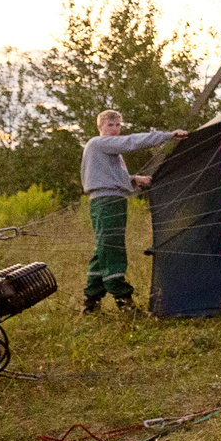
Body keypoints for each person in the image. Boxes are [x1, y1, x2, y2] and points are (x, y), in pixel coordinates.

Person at [81, 110, 188, 312]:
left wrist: (132, 179)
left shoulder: (108, 151)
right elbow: (132, 142)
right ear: (100, 127)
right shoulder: (99, 143)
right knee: (112, 247)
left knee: (103, 247)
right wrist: (167, 135)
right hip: (106, 202)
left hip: (113, 199)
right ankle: (123, 298)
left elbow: (107, 176)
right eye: (110, 125)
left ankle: (91, 300)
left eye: (117, 125)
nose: (114, 129)